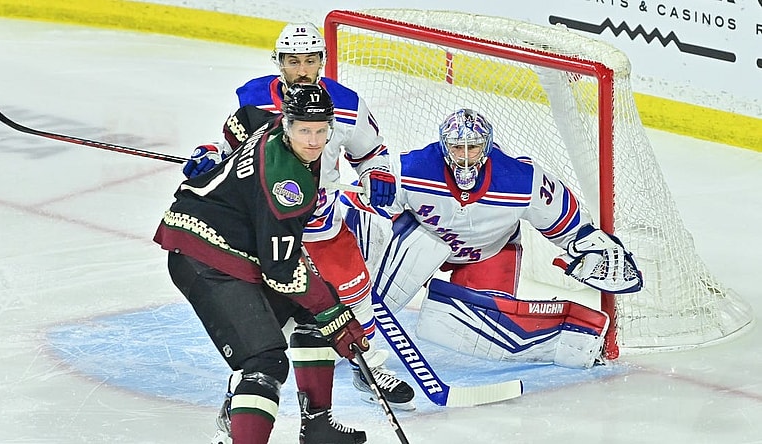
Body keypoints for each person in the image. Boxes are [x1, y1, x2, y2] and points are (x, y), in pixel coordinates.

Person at [182, 21, 415, 422]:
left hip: (321, 221)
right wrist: (208, 155)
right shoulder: (255, 97)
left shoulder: (346, 104)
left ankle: (366, 366)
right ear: (279, 62)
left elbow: (372, 153)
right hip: (266, 224)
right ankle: (243, 389)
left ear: (323, 61)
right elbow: (232, 147)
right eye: (293, 61)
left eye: (310, 60)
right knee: (263, 317)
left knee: (355, 299)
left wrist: (377, 175)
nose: (302, 69)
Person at [342, 108, 643, 369]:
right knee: (412, 253)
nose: (464, 157)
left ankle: (575, 334)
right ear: (444, 146)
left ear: (486, 147)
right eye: (457, 148)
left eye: (472, 148)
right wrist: (352, 267)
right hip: (424, 242)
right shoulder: (411, 170)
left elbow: (573, 228)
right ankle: (339, 320)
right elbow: (357, 206)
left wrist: (591, 249)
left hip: (488, 253)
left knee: (464, 328)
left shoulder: (521, 180)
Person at [154, 84, 369, 444]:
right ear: (288, 125)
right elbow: (281, 271)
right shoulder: (288, 186)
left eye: (321, 130)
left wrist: (216, 152)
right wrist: (336, 314)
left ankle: (317, 426)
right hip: (203, 257)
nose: (314, 141)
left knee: (311, 316)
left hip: (236, 248)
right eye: (304, 130)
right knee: (265, 363)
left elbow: (244, 118)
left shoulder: (267, 124)